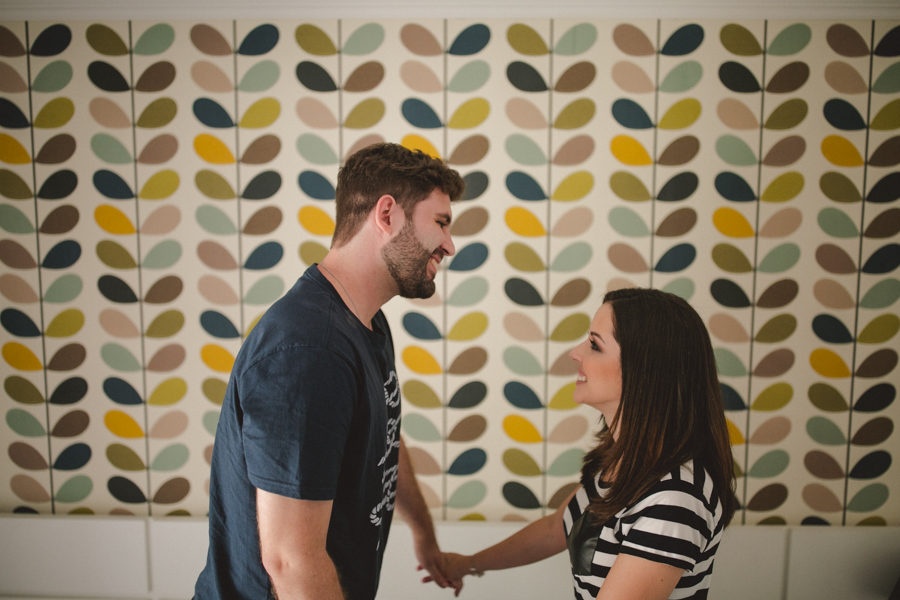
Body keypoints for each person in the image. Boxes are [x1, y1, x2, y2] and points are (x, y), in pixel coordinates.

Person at [194, 142, 466, 599]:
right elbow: (290, 562)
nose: (450, 245)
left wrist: (423, 532)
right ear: (387, 214)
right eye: (441, 222)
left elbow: (381, 435)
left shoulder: (366, 323)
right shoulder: (310, 350)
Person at [427, 288, 736, 600]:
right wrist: (467, 564)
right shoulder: (625, 465)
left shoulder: (675, 498)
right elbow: (554, 530)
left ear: (643, 369)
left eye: (594, 345)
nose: (576, 353)